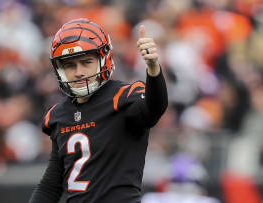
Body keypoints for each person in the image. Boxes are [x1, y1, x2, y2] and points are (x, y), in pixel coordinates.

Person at [29, 18, 168, 203]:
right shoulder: (58, 114)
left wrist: (153, 69)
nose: (79, 72)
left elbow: (155, 108)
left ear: (104, 59)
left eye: (86, 62)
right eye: (70, 65)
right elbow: (52, 184)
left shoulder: (123, 97)